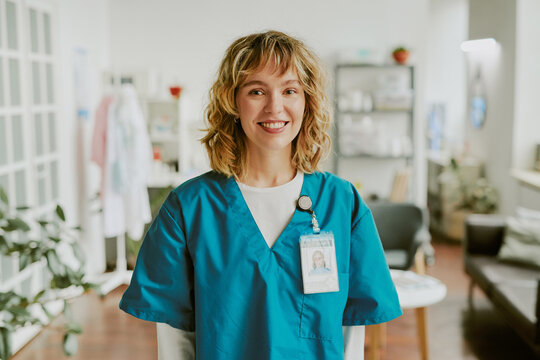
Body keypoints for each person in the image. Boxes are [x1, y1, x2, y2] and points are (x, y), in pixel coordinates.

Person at [119, 30, 401, 360]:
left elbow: (351, 330)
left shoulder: (342, 203)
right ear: (232, 101)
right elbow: (175, 336)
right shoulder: (188, 209)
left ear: (307, 101)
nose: (274, 106)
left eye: (290, 90)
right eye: (257, 91)